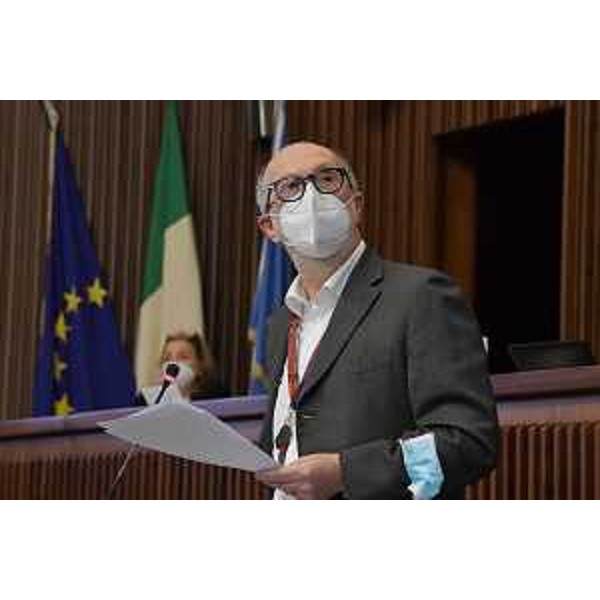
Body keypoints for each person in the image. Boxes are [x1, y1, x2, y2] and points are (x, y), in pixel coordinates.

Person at [253, 141, 499, 499]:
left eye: (327, 178)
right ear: (269, 227)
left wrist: (346, 473)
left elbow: (468, 442)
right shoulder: (281, 324)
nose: (312, 196)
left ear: (356, 205)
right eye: (291, 187)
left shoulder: (421, 296)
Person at [138, 331, 228, 404]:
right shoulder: (143, 401)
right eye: (167, 358)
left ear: (200, 367)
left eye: (183, 357)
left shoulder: (218, 400)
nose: (173, 363)